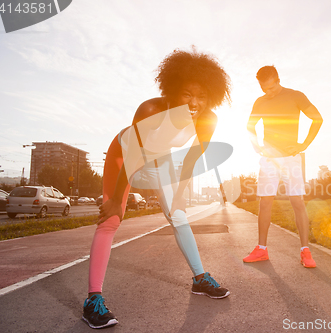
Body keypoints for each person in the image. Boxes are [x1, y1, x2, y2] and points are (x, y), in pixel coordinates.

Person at [82, 49, 231, 329]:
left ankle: (200, 279)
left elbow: (191, 159)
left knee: (179, 216)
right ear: (173, 89)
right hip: (123, 155)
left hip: (159, 159)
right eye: (187, 94)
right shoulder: (150, 109)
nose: (195, 103)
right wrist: (115, 199)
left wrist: (179, 194)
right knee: (111, 219)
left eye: (201, 96)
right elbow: (133, 156)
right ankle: (92, 300)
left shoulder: (208, 120)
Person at [243, 65, 323, 268]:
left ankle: (305, 252)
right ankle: (261, 250)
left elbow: (317, 118)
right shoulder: (260, 102)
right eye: (263, 89)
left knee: (297, 202)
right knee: (265, 203)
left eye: (270, 88)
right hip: (269, 159)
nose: (267, 93)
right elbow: (250, 126)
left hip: (291, 158)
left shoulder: (296, 96)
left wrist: (304, 145)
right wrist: (257, 146)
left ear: (278, 80)